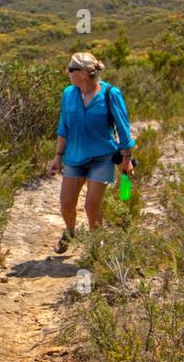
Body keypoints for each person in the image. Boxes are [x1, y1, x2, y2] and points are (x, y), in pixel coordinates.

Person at [46, 51, 135, 254]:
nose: (67, 73)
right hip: (74, 158)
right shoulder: (69, 94)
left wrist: (126, 160)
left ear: (83, 73)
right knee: (66, 203)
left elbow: (123, 130)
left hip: (101, 158)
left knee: (91, 205)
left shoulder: (110, 94)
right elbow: (64, 127)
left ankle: (98, 244)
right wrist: (58, 157)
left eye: (71, 69)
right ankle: (70, 232)